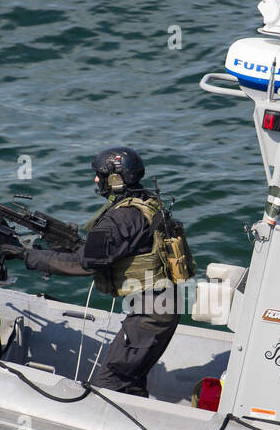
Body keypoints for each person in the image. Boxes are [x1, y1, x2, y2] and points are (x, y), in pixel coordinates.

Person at [15, 146, 179, 397]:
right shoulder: (145, 201)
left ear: (115, 178)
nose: (96, 179)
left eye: (100, 174)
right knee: (130, 380)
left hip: (150, 314)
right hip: (162, 305)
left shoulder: (121, 217)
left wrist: (29, 256)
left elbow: (84, 264)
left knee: (111, 383)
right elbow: (112, 248)